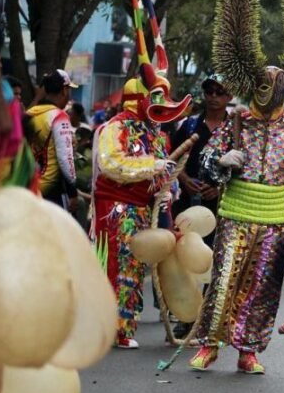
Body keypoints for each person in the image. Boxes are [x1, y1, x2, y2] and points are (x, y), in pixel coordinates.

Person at [189, 0, 284, 374]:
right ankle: (209, 344)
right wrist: (221, 160)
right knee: (224, 280)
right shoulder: (237, 123)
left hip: (275, 222)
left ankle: (248, 350)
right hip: (235, 215)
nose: (270, 94)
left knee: (263, 287)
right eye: (265, 87)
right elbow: (206, 164)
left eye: (277, 87)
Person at [91, 70, 190, 348]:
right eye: (156, 98)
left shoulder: (156, 133)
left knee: (133, 267)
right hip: (116, 208)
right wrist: (151, 167)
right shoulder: (116, 127)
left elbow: (166, 170)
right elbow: (111, 163)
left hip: (143, 209)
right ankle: (111, 327)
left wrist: (168, 190)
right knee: (117, 265)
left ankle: (123, 327)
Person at [172, 77, 232, 226]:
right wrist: (185, 180)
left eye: (220, 92)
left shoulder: (235, 130)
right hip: (185, 201)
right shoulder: (189, 125)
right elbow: (172, 159)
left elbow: (242, 169)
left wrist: (219, 189)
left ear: (230, 96)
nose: (213, 96)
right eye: (209, 92)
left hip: (222, 208)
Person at [25, 69, 80, 209]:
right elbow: (65, 159)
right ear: (64, 91)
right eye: (69, 90)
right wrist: (73, 191)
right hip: (52, 193)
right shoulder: (59, 117)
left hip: (28, 187)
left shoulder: (30, 113)